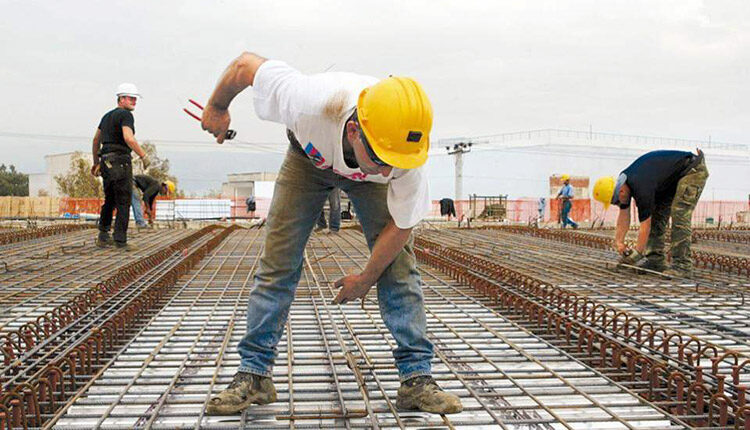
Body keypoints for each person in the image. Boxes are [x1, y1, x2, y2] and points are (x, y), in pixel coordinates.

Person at [200, 52, 462, 416]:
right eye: (382, 159)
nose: (390, 172)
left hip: (362, 178)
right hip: (307, 161)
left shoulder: (402, 155)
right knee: (277, 264)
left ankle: (416, 379)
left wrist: (366, 278)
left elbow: (400, 227)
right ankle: (254, 374)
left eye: (398, 163)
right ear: (354, 132)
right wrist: (217, 106)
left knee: (399, 268)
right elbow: (245, 65)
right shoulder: (307, 101)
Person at [593, 149, 708, 278]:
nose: (618, 204)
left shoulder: (641, 187)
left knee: (679, 215)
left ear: (621, 192)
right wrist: (619, 241)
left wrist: (637, 254)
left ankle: (682, 265)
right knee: (656, 217)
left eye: (616, 201)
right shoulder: (624, 182)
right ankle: (655, 261)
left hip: (692, 170)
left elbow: (645, 227)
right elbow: (624, 214)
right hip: (670, 180)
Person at [91, 83, 149, 250]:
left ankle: (103, 235)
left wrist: (96, 163)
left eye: (135, 99)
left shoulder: (106, 116)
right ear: (121, 98)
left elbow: (96, 140)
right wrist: (143, 155)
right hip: (120, 162)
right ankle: (120, 241)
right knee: (123, 201)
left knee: (110, 199)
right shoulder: (125, 115)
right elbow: (129, 138)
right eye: (131, 98)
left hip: (106, 162)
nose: (134, 101)